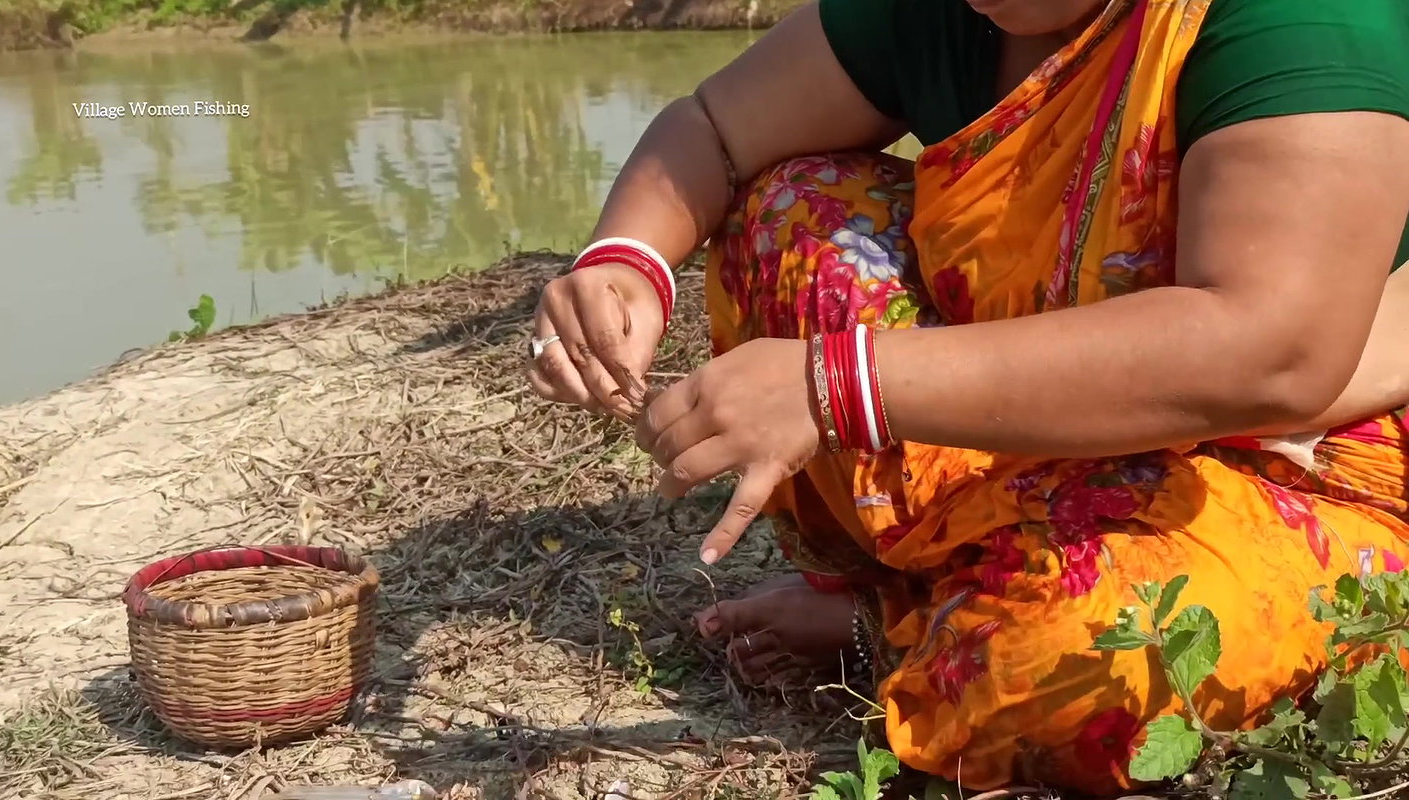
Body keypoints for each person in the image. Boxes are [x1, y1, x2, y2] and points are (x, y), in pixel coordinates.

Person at [524, 0, 1409, 793]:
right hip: (1035, 406)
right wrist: (625, 261)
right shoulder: (950, 12)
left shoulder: (1304, 16)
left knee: (1076, 663)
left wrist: (839, 382)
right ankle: (949, 584)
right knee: (789, 209)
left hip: (1298, 450)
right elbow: (714, 128)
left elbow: (1274, 352)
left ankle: (903, 623)